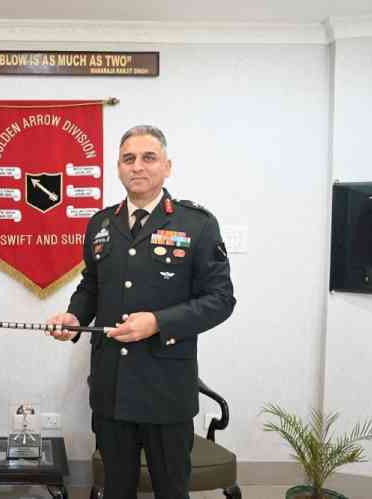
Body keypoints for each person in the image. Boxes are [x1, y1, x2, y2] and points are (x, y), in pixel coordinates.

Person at [47, 125, 235, 499]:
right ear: (118, 167)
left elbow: (221, 299)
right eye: (128, 159)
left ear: (167, 166)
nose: (138, 167)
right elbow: (92, 286)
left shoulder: (196, 224)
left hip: (166, 386)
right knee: (116, 487)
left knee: (170, 489)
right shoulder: (100, 224)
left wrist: (158, 322)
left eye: (148, 158)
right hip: (111, 386)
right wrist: (74, 317)